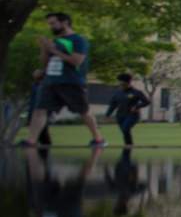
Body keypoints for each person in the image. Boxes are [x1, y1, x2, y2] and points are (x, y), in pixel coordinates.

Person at [18, 12, 104, 146]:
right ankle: (31, 141)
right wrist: (43, 49)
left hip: (71, 82)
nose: (50, 26)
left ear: (64, 23)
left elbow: (77, 61)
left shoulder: (78, 40)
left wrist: (54, 50)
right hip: (50, 82)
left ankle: (98, 139)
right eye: (49, 24)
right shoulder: (54, 41)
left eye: (53, 23)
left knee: (83, 110)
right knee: (39, 110)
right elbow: (45, 62)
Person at [104, 73, 151, 146]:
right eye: (119, 81)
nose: (119, 83)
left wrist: (137, 106)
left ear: (127, 82)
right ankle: (128, 147)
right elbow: (113, 105)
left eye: (121, 82)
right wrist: (107, 115)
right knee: (124, 132)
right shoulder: (117, 93)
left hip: (132, 115)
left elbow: (147, 102)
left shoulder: (137, 92)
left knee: (125, 129)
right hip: (120, 116)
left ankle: (129, 146)